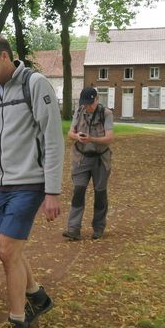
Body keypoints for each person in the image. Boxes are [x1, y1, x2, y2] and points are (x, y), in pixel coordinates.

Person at [0, 34, 64, 328]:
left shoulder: (35, 85)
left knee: (8, 250)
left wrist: (52, 190)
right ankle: (38, 297)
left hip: (29, 184)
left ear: (6, 56)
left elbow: (53, 139)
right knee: (4, 251)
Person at [63, 87, 114, 240]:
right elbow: (70, 133)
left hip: (100, 159)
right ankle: (73, 228)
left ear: (97, 100)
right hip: (81, 158)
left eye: (90, 103)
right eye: (85, 103)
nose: (87, 106)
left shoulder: (106, 114)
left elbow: (110, 138)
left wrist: (91, 139)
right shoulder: (79, 111)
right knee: (78, 191)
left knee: (100, 193)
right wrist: (76, 136)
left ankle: (98, 227)